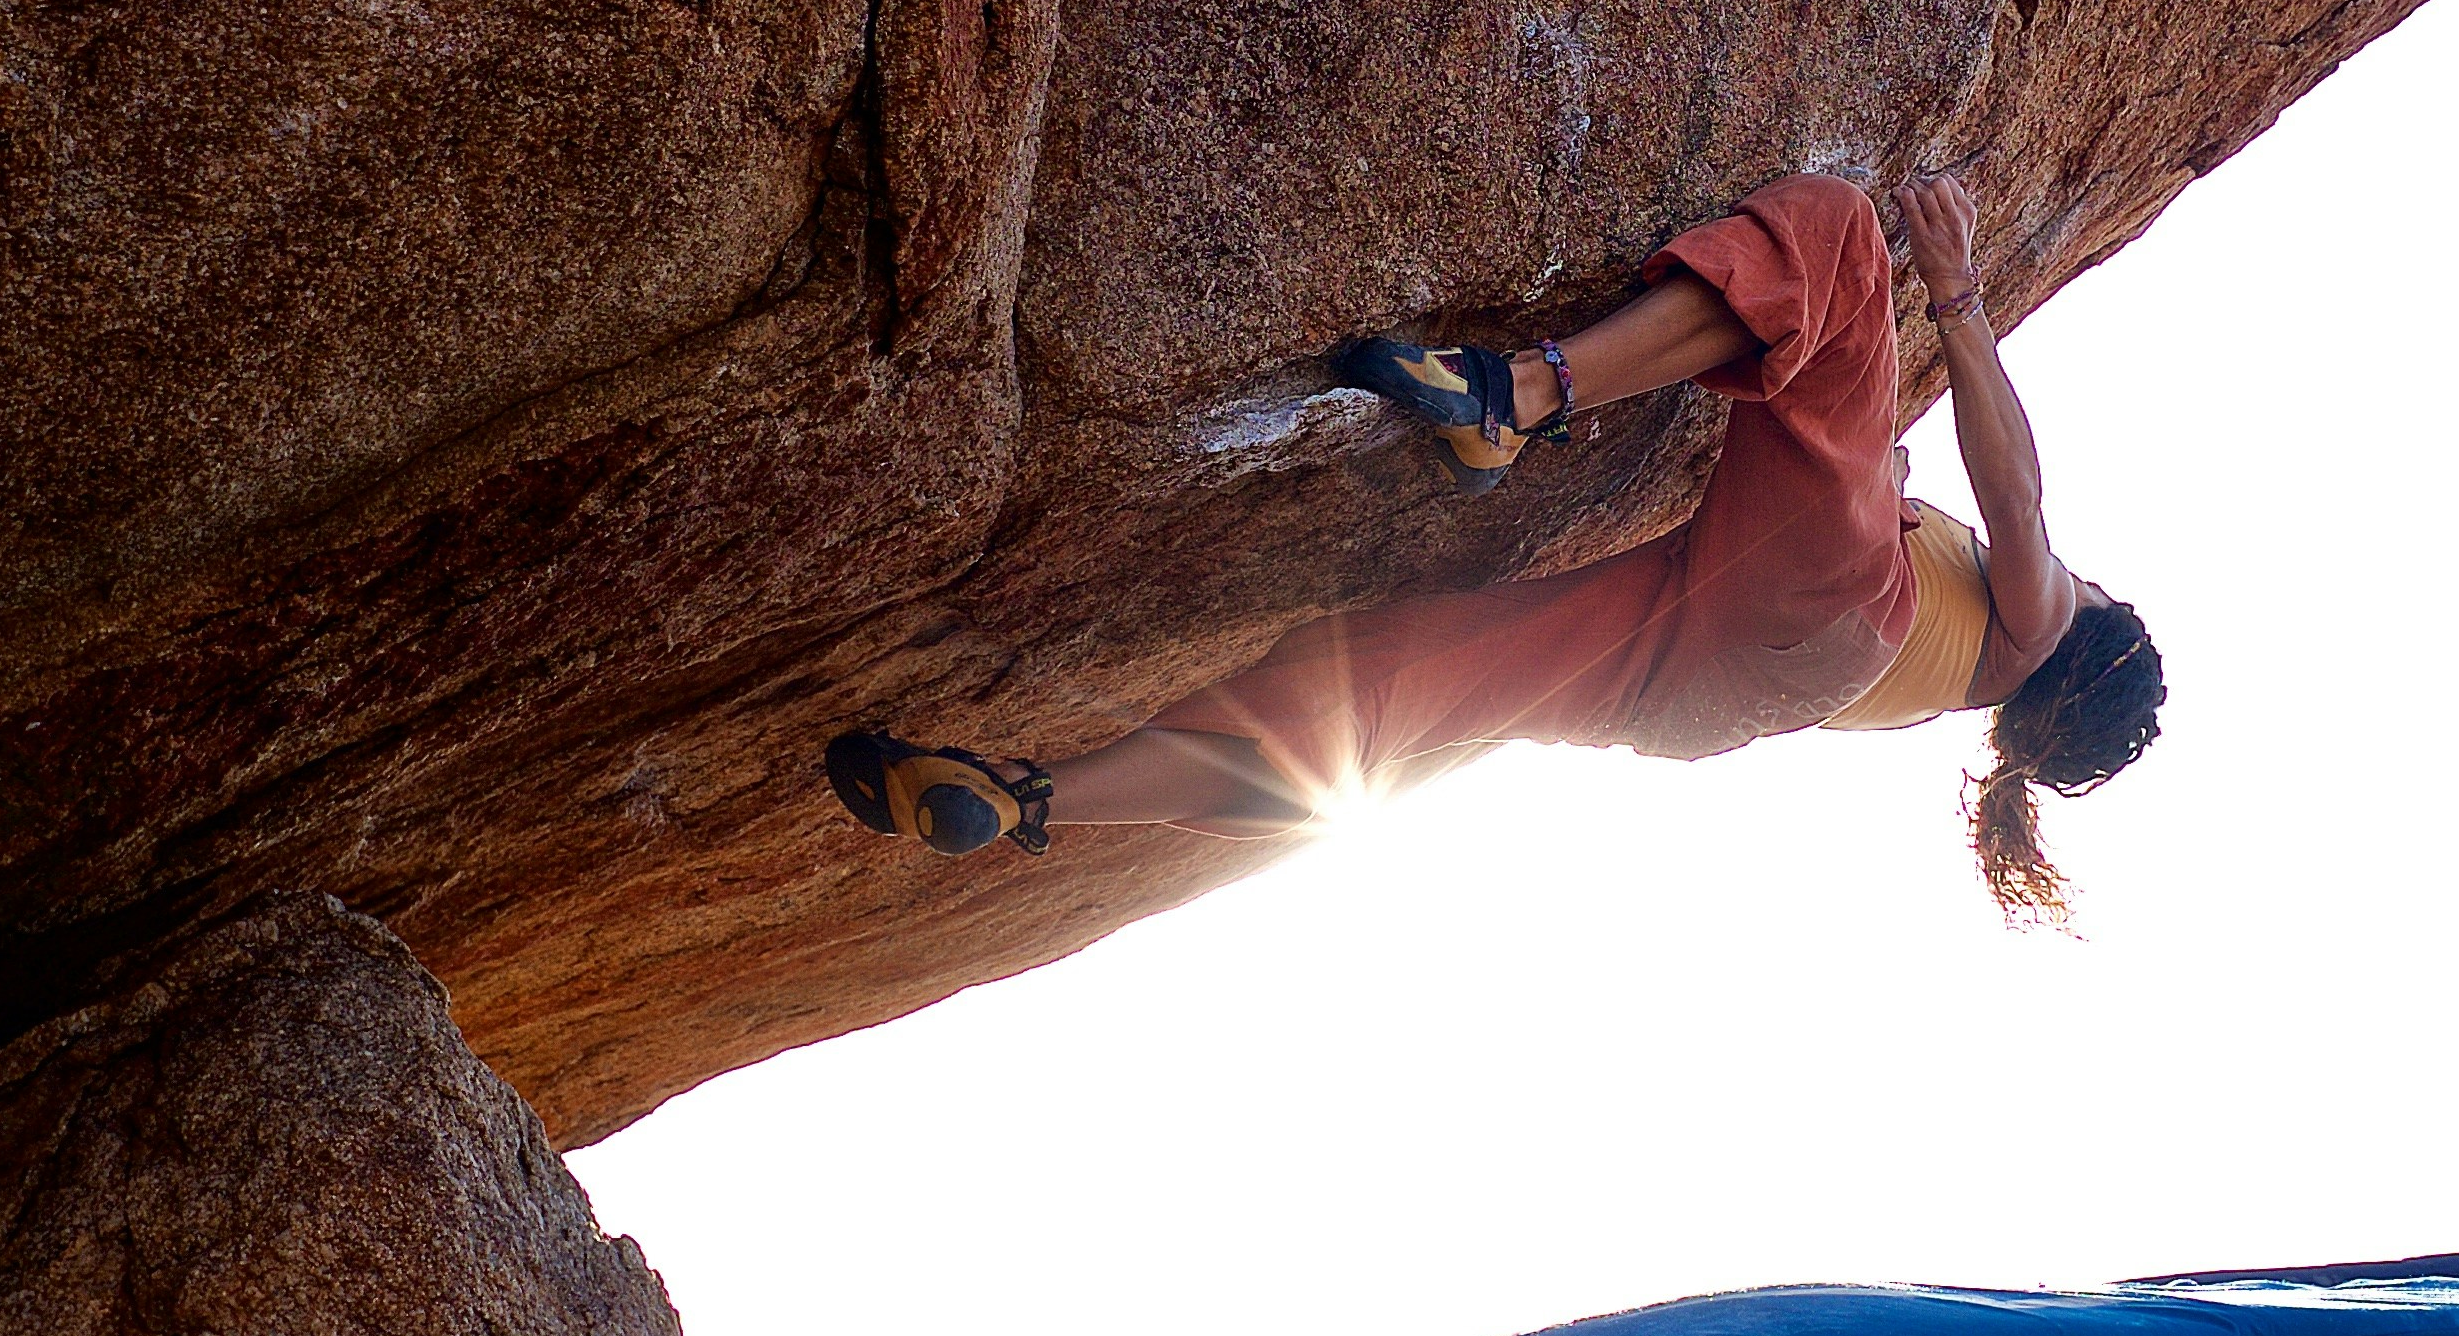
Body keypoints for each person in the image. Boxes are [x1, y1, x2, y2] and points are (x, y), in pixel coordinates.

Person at [827, 170, 2167, 922]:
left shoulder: (2034, 624)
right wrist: (1873, 472)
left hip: (1811, 610)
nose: (2064, 575)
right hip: (1704, 696)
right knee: (1381, 693)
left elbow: (2019, 497)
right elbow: (1809, 573)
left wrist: (1962, 295)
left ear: (2084, 638)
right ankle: (1034, 797)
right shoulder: (1950, 668)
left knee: (1835, 248)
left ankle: (1521, 395)